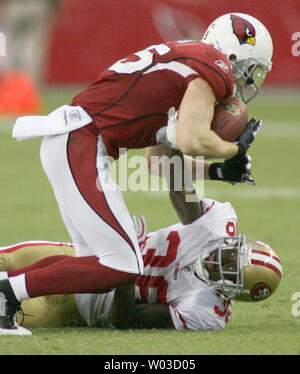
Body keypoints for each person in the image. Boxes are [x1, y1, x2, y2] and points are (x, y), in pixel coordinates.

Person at [1, 13, 273, 333]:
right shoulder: (215, 66)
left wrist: (218, 169)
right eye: (249, 70)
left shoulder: (185, 69)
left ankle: (7, 286)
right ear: (232, 55)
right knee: (122, 264)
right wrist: (233, 150)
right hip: (83, 140)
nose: (245, 82)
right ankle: (7, 295)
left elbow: (159, 163)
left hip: (78, 139)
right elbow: (190, 137)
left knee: (95, 259)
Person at [0, 200, 282, 331]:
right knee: (5, 261)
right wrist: (176, 140)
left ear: (234, 292)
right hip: (78, 258)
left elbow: (124, 320)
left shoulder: (208, 312)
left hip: (76, 307)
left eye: (229, 269)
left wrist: (127, 264)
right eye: (232, 252)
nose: (220, 259)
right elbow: (179, 187)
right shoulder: (217, 223)